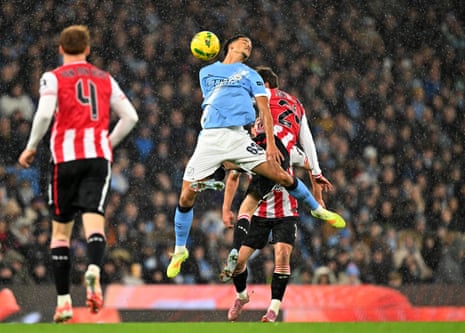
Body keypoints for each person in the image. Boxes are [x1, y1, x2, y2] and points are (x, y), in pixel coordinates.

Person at [166, 35, 345, 279]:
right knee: (186, 196)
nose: (248, 44)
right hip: (210, 138)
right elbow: (219, 99)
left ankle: (317, 209)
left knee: (280, 174)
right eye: (243, 41)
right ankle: (179, 251)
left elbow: (265, 110)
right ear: (229, 46)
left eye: (251, 43)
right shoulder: (206, 72)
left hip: (240, 137)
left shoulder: (252, 76)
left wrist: (271, 144)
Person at [18, 25, 139, 323]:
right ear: (87, 49)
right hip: (97, 158)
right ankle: (94, 270)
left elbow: (45, 114)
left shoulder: (53, 77)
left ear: (61, 49)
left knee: (61, 232)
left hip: (65, 159)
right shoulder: (104, 78)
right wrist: (106, 143)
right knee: (94, 221)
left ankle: (63, 303)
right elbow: (131, 117)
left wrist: (31, 146)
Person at [219, 66, 334, 282]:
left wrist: (226, 209)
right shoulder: (296, 104)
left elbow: (234, 175)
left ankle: (235, 252)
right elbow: (309, 149)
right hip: (285, 152)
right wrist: (318, 193)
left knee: (234, 174)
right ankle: (316, 207)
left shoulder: (259, 102)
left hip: (269, 160)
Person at [225, 145, 327, 322]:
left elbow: (313, 167)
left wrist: (317, 197)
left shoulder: (289, 150)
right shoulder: (248, 151)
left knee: (282, 255)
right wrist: (226, 208)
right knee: (238, 262)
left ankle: (273, 309)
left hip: (285, 214)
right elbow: (233, 176)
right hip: (258, 214)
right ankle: (241, 297)